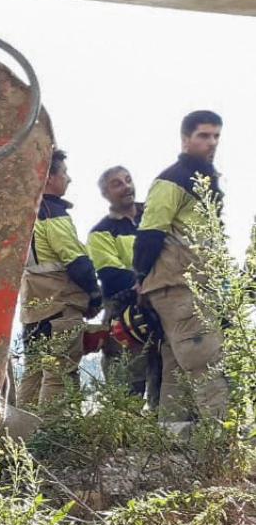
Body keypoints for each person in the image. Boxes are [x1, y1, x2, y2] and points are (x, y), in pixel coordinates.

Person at [134, 111, 229, 424]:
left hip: (188, 285)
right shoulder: (172, 180)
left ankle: (174, 447)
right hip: (178, 286)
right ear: (186, 138)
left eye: (216, 135)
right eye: (204, 135)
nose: (211, 142)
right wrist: (140, 278)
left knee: (177, 362)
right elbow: (149, 234)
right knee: (205, 363)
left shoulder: (204, 179)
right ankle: (226, 449)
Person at [18, 149, 100, 409]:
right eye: (64, 172)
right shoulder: (54, 215)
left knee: (32, 376)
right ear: (48, 177)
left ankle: (20, 437)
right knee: (59, 375)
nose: (69, 179)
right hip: (59, 306)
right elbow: (77, 262)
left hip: (32, 312)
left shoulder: (25, 216)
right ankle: (55, 438)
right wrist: (95, 294)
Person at [88, 166, 159, 403]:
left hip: (161, 312)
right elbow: (112, 275)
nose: (126, 186)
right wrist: (154, 280)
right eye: (117, 183)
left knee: (166, 386)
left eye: (128, 180)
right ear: (105, 194)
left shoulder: (155, 217)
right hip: (124, 317)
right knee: (126, 394)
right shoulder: (101, 232)